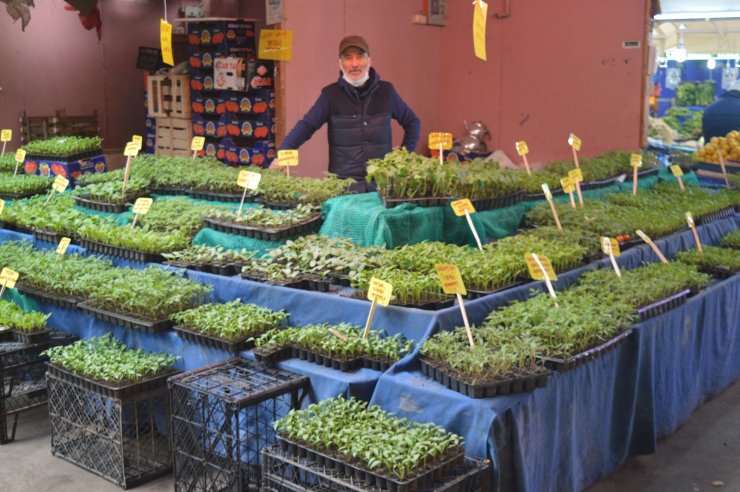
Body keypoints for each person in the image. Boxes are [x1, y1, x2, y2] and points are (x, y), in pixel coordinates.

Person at [278, 35, 421, 192]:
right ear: (340, 64)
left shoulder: (386, 92)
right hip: (344, 185)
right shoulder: (330, 95)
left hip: (382, 183)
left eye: (360, 57)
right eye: (348, 58)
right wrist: (283, 155)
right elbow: (306, 125)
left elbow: (412, 122)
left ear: (369, 61)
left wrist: (403, 158)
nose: (354, 64)